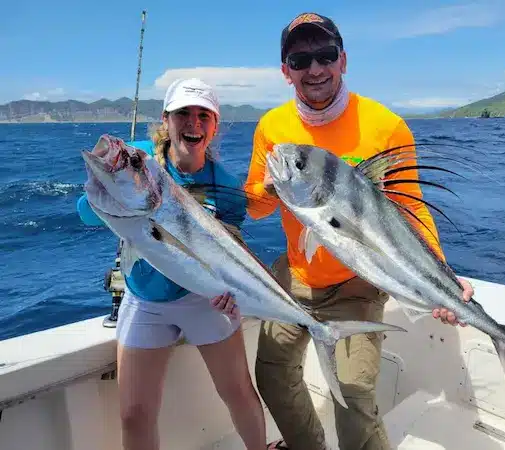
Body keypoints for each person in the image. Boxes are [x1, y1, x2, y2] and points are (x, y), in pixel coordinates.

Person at [241, 12, 475, 450]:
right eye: (300, 59)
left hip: (360, 283)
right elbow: (254, 207)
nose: (314, 68)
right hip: (294, 276)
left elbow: (412, 209)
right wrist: (270, 188)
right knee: (272, 377)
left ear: (343, 61)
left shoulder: (385, 126)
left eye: (325, 55)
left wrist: (440, 274)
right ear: (285, 71)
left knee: (353, 396)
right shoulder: (273, 128)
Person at [76, 78, 266, 450]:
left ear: (214, 125)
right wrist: (105, 186)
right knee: (134, 414)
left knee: (239, 393)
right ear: (166, 119)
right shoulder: (140, 160)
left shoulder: (226, 186)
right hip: (144, 297)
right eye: (183, 113)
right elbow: (85, 215)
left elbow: (235, 248)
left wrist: (232, 293)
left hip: (204, 300)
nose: (192, 123)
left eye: (202, 115)